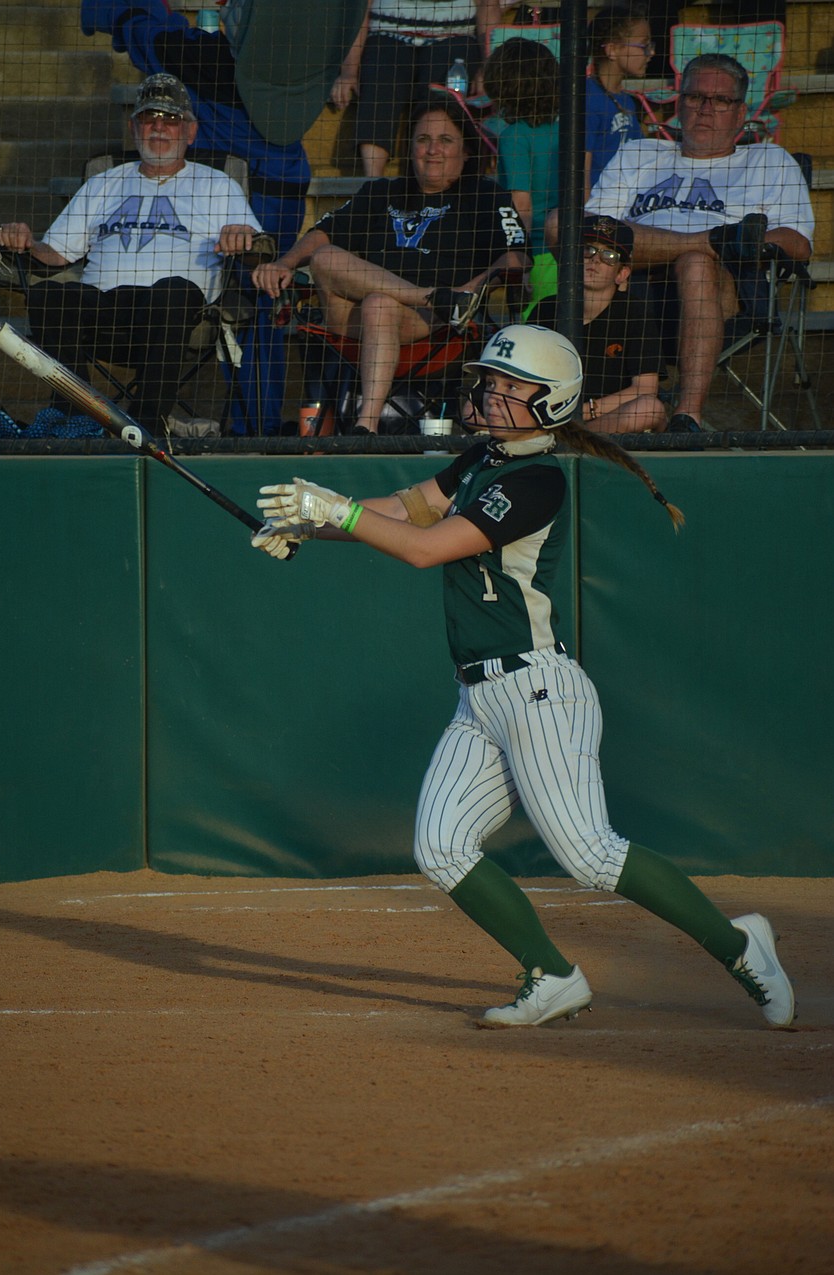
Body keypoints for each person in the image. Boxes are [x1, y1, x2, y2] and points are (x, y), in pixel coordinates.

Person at [250, 322, 795, 1031]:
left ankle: (739, 944)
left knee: (591, 853)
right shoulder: (482, 456)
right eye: (494, 382)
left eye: (514, 388)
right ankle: (553, 974)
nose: (493, 393)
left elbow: (425, 548)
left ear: (553, 404)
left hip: (540, 691)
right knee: (441, 845)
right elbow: (409, 509)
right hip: (479, 696)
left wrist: (339, 509)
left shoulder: (536, 480)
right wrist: (312, 528)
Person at [79, 0, 312, 434]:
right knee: (261, 304)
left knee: (256, 303)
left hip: (252, 200)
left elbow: (147, 36)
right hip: (284, 186)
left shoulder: (202, 57)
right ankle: (252, 428)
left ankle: (248, 428)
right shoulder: (300, 61)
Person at [0, 73, 260, 435]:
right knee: (47, 295)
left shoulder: (218, 184)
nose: (159, 129)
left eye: (171, 120)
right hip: (102, 312)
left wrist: (241, 236)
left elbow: (258, 252)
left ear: (191, 132)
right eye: (149, 119)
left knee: (174, 291)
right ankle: (74, 417)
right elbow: (53, 253)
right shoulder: (104, 181)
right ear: (134, 128)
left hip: (178, 316)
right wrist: (23, 241)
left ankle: (144, 425)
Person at [252, 96, 528, 434]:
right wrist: (285, 262)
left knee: (379, 304)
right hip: (358, 320)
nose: (432, 150)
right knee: (324, 257)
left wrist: (471, 290)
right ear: (409, 147)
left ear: (466, 151)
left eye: (445, 140)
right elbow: (323, 233)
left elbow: (518, 255)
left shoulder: (485, 196)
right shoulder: (381, 192)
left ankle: (364, 428)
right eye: (423, 140)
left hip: (432, 328)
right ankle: (429, 294)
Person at [570, 52, 814, 432]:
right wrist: (717, 240)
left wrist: (729, 250)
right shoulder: (640, 152)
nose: (706, 109)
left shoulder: (770, 160)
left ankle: (687, 416)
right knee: (561, 222)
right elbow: (595, 227)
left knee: (696, 264)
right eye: (695, 97)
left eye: (720, 100)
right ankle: (711, 241)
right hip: (628, 279)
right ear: (679, 103)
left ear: (740, 112)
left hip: (721, 286)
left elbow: (798, 243)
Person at [333, 1, 500, 179]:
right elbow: (360, 7)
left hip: (454, 35)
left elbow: (488, 4)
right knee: (380, 85)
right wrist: (348, 72)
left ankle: (439, 180)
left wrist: (488, 67)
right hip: (387, 33)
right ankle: (373, 183)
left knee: (443, 101)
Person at [530, 214, 666, 433]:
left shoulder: (635, 312)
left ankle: (570, 441)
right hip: (545, 417)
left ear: (622, 273)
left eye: (609, 255)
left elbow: (645, 389)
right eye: (587, 250)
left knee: (649, 408)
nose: (595, 260)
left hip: (603, 422)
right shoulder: (546, 309)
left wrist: (584, 412)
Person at [481, 36, 560, 308]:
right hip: (566, 252)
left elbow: (521, 206)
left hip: (537, 255)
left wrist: (521, 261)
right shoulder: (567, 129)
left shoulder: (514, 136)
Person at [585, 6, 652, 198]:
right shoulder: (588, 99)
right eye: (644, 45)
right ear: (612, 50)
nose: (651, 53)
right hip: (599, 208)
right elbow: (580, 171)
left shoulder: (627, 101)